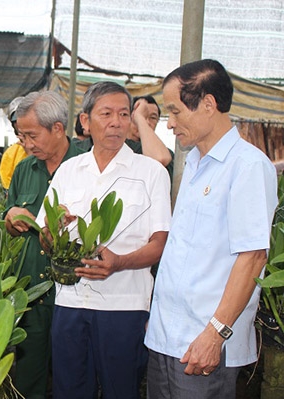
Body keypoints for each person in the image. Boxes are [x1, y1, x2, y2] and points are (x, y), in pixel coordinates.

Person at [144, 59, 278, 399]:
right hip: (167, 338)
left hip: (205, 343)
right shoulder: (195, 164)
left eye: (174, 112)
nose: (169, 123)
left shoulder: (247, 167)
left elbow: (252, 257)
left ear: (207, 104)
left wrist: (216, 333)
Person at [36, 81, 172, 399]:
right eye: (106, 113)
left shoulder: (151, 173)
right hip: (69, 302)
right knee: (69, 390)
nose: (116, 122)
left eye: (124, 114)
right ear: (86, 121)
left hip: (124, 305)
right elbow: (45, 238)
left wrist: (120, 262)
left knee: (120, 389)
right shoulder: (68, 172)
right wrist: (53, 230)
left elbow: (160, 242)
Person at [3, 90, 84, 398]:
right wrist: (12, 217)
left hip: (74, 293)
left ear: (58, 129)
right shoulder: (24, 169)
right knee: (28, 377)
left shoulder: (87, 166)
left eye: (32, 135)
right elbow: (9, 227)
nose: (26, 144)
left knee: (73, 374)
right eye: (21, 136)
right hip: (31, 293)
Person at [127, 95, 174, 183]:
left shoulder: (167, 153)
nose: (147, 122)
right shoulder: (117, 147)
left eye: (153, 118)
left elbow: (161, 158)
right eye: (142, 115)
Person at [0, 96, 29, 189]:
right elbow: (8, 186)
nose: (20, 123)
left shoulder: (47, 147)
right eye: (16, 120)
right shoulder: (11, 153)